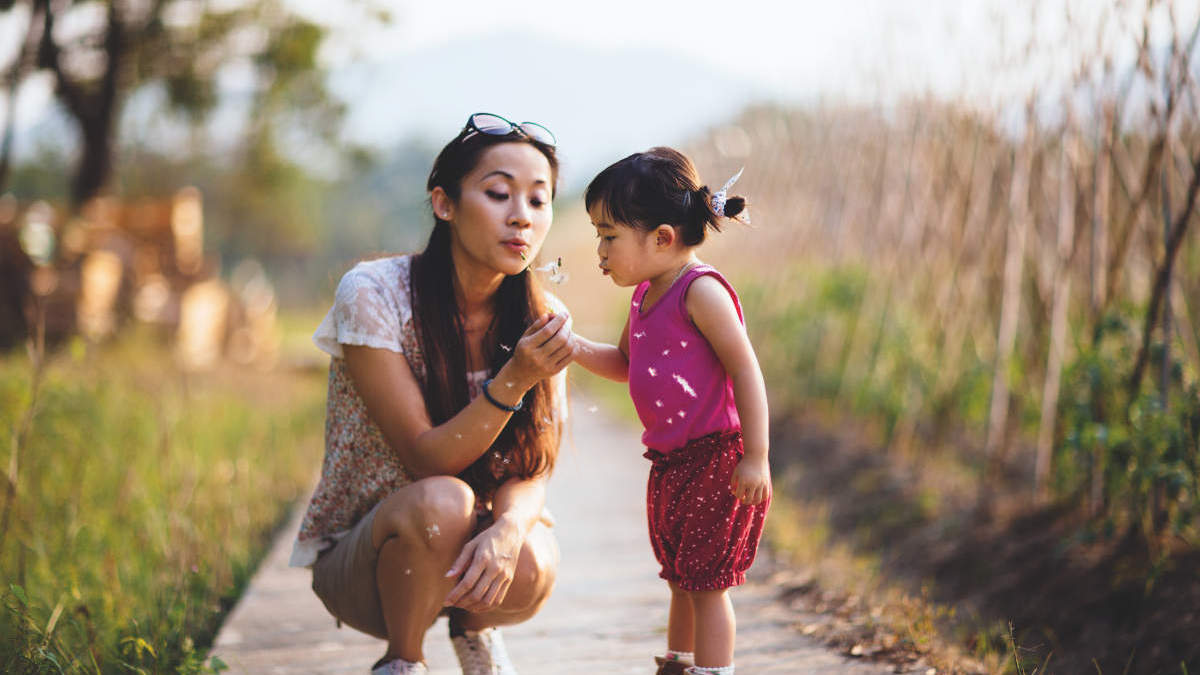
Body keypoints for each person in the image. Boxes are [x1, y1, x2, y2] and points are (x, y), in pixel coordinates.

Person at [290, 113, 575, 675]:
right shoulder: (375, 293)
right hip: (371, 557)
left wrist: (510, 530)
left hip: (471, 558)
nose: (521, 216)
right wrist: (513, 377)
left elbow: (533, 468)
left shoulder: (542, 317)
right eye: (498, 193)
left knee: (533, 557)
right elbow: (425, 457)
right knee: (444, 500)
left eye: (538, 201)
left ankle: (475, 632)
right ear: (444, 204)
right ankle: (403, 660)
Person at [571, 147, 771, 675]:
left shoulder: (699, 292)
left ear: (662, 237)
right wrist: (569, 345)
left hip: (716, 461)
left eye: (608, 235)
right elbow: (623, 362)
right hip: (672, 465)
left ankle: (712, 669)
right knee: (681, 577)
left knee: (707, 586)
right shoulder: (643, 294)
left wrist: (757, 456)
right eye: (598, 235)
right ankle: (678, 664)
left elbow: (745, 369)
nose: (600, 250)